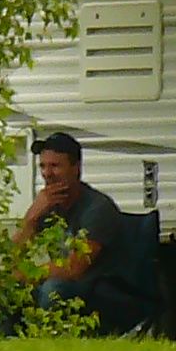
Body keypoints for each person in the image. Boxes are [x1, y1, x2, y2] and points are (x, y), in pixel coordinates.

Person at [12, 130, 154, 334]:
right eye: (43, 166)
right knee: (6, 292)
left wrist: (26, 275)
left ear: (76, 168)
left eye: (55, 166)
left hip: (102, 290)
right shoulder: (48, 206)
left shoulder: (97, 208)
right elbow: (11, 260)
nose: (47, 174)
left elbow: (75, 268)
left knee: (53, 290)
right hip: (71, 286)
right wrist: (30, 220)